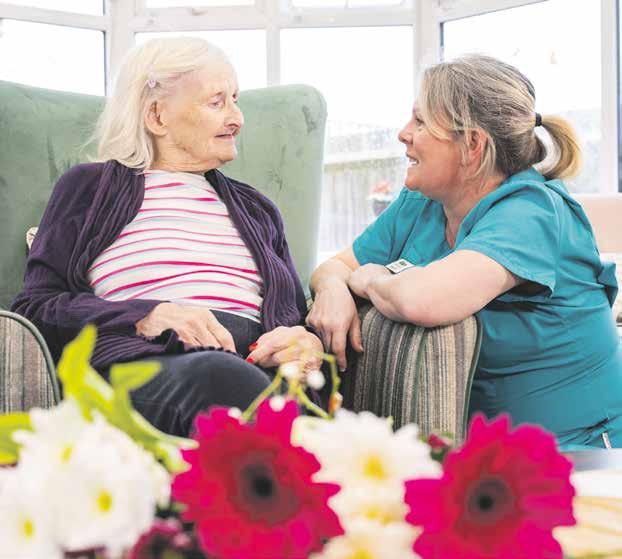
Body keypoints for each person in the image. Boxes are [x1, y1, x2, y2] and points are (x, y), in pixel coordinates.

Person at [11, 37, 323, 437]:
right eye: (217, 102)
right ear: (157, 116)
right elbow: (36, 307)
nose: (237, 118)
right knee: (228, 382)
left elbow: (293, 317)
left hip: (253, 364)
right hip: (147, 360)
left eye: (235, 99)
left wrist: (305, 342)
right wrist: (147, 315)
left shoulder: (257, 210)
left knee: (287, 403)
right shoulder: (89, 188)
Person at [307, 54, 622, 449]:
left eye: (421, 122)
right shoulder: (420, 203)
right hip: (488, 456)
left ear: (472, 144)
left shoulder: (532, 211)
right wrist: (333, 289)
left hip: (582, 450)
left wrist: (370, 276)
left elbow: (422, 300)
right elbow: (334, 266)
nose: (403, 133)